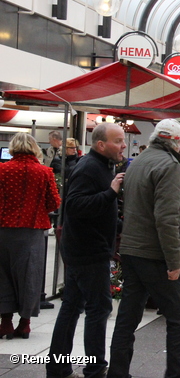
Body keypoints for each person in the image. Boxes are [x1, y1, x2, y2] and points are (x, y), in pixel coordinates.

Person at [108, 119, 180, 378]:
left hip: (131, 250)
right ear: (177, 141)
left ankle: (118, 373)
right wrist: (174, 261)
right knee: (179, 318)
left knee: (128, 316)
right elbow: (166, 218)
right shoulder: (169, 165)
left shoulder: (138, 161)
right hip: (154, 253)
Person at [47, 123, 126, 378]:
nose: (123, 145)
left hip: (84, 248)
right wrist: (111, 193)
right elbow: (77, 206)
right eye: (118, 141)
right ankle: (95, 368)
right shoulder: (90, 167)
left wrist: (119, 223)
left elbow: (98, 209)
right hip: (87, 251)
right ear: (101, 145)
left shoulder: (102, 166)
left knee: (72, 306)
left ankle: (58, 368)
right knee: (98, 307)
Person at [0, 133, 60, 340]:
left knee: (3, 276)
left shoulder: (2, 170)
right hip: (32, 231)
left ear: (13, 148)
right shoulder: (45, 172)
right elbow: (54, 202)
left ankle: (5, 322)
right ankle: (24, 324)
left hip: (4, 230)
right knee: (30, 276)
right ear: (34, 149)